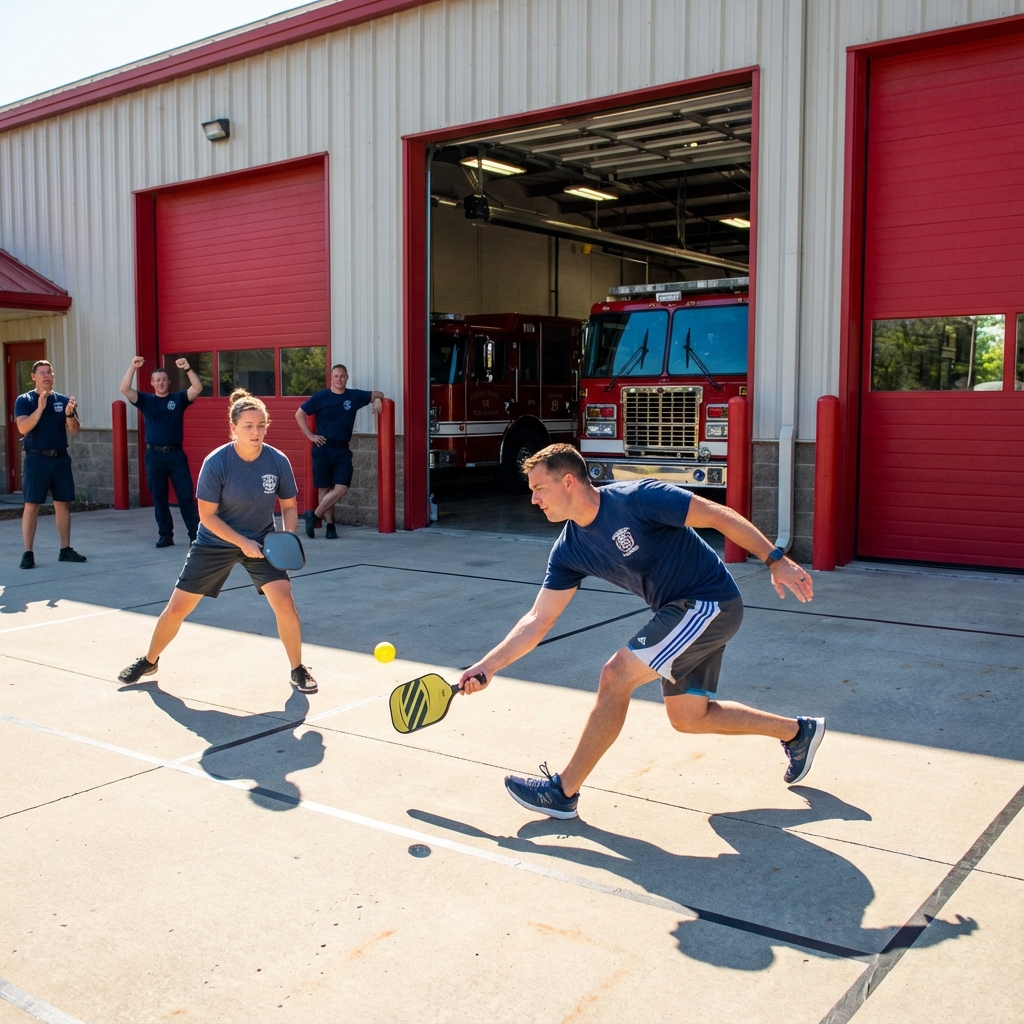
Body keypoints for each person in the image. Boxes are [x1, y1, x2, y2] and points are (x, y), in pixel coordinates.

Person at [458, 444, 825, 820]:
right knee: (689, 717)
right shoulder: (569, 549)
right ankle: (798, 732)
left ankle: (563, 791)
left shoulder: (639, 498)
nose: (533, 500)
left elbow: (717, 515)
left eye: (539, 488)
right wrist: (486, 667)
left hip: (708, 603)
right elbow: (538, 619)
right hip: (681, 612)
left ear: (568, 482)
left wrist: (775, 559)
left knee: (616, 675)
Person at [118, 389, 318, 694]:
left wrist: (284, 537)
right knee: (177, 609)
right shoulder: (217, 463)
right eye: (248, 426)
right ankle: (149, 660)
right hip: (215, 542)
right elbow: (207, 516)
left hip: (262, 542)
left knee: (285, 604)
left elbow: (289, 506)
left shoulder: (277, 461)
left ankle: (297, 668)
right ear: (234, 428)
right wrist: (241, 542)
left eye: (261, 425)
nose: (256, 431)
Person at [119, 356, 202, 547]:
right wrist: (132, 367)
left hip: (176, 455)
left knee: (185, 495)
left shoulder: (178, 399)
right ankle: (166, 535)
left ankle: (195, 536)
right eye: (157, 380)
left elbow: (197, 388)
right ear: (152, 383)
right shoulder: (146, 400)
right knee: (159, 497)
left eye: (164, 379)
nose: (161, 383)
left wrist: (188, 368)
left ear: (169, 382)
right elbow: (124, 389)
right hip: (154, 456)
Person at [295, 364, 383, 539]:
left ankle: (313, 516)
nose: (339, 379)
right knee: (324, 488)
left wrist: (378, 400)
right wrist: (311, 436)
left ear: (347, 378)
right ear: (331, 378)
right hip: (323, 447)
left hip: (342, 449)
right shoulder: (320, 397)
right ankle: (330, 526)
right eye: (336, 376)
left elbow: (378, 393)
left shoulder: (354, 396)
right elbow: (300, 414)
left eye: (342, 376)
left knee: (341, 487)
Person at [14, 359, 87, 569]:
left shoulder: (63, 400)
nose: (46, 376)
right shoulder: (24, 400)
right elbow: (23, 428)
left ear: (53, 376)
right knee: (32, 505)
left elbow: (74, 429)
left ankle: (65, 549)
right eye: (42, 373)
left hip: (60, 459)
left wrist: (70, 413)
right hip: (36, 459)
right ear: (33, 377)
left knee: (62, 503)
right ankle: (28, 553)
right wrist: (40, 408)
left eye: (49, 373)